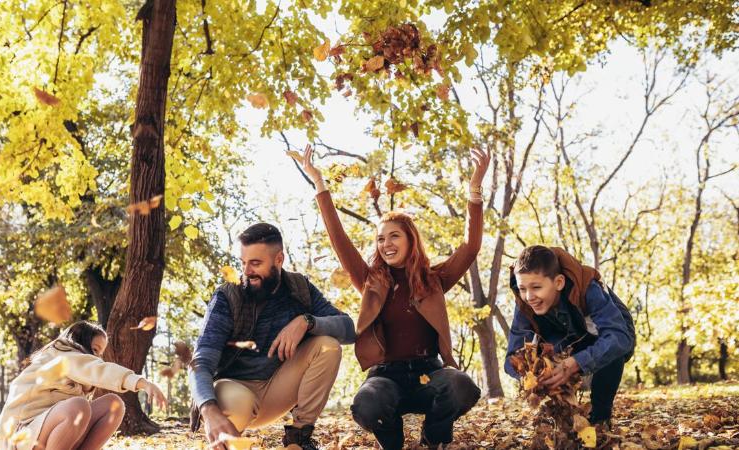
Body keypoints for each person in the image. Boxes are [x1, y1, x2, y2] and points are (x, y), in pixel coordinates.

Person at [302, 145, 490, 449]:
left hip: (429, 374)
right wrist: (319, 184)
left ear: (410, 240)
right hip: (386, 378)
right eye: (380, 239)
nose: (385, 244)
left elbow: (470, 247)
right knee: (367, 403)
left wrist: (474, 190)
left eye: (393, 236)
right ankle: (392, 442)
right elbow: (339, 240)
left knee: (460, 385)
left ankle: (434, 436)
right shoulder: (370, 281)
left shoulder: (434, 280)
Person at [189, 223, 356, 450]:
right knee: (238, 402)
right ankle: (226, 443)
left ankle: (298, 439)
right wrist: (208, 409)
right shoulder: (228, 296)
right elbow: (200, 363)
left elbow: (348, 329)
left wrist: (307, 322)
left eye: (256, 263)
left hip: (277, 388)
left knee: (328, 346)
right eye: (243, 263)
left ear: (279, 259)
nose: (247, 271)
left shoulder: (299, 288)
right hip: (234, 390)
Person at [505, 245, 636, 426]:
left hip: (610, 333)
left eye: (536, 287)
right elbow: (511, 357)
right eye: (522, 288)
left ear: (558, 282)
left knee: (612, 349)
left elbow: (619, 338)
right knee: (543, 359)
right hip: (565, 338)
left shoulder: (587, 287)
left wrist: (576, 363)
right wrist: (533, 377)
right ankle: (562, 418)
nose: (529, 296)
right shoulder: (526, 302)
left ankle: (600, 419)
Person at [0, 320, 166, 450]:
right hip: (18, 437)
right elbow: (98, 369)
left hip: (43, 431)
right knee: (78, 407)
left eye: (101, 353)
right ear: (79, 343)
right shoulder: (62, 356)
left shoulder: (75, 380)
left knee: (113, 404)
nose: (98, 357)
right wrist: (141, 382)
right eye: (95, 350)